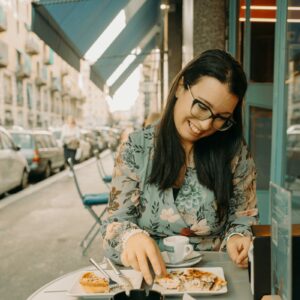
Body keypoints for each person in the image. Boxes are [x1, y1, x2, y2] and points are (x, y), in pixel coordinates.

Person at [100, 49, 258, 285]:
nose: (206, 124)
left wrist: (238, 238)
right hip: (147, 279)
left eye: (221, 118)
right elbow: (114, 226)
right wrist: (130, 237)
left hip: (213, 280)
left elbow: (242, 220)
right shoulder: (136, 147)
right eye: (202, 106)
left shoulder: (234, 152)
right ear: (182, 87)